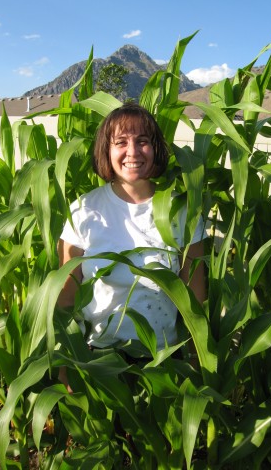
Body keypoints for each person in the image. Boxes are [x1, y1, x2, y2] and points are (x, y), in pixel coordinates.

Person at [57, 102, 206, 362]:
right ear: (106, 150)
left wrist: (197, 363)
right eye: (121, 142)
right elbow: (65, 299)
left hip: (165, 358)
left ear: (156, 148)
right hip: (100, 359)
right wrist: (66, 370)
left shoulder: (183, 212)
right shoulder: (84, 209)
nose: (133, 151)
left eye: (142, 141)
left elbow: (195, 299)